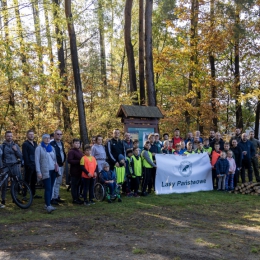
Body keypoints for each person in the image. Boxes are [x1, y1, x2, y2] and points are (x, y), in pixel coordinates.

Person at [35, 134, 57, 213]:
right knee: (47, 187)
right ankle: (48, 205)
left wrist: (56, 167)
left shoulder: (52, 148)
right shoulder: (39, 148)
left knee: (51, 187)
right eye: (46, 138)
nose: (47, 139)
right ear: (43, 139)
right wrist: (38, 172)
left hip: (53, 170)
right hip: (45, 171)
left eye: (48, 138)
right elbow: (37, 161)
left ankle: (48, 203)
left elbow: (55, 159)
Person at [0, 131, 23, 206]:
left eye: (10, 136)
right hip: (6, 166)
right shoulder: (2, 146)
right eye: (8, 136)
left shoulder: (15, 145)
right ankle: (3, 199)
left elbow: (20, 156)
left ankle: (15, 198)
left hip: (14, 166)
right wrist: (1, 167)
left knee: (16, 182)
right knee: (4, 184)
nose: (9, 137)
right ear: (5, 137)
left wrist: (16, 150)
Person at [22, 130, 41, 199]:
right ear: (27, 135)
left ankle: (33, 194)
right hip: (29, 165)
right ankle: (24, 194)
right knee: (27, 180)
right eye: (30, 134)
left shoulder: (35, 143)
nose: (31, 135)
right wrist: (28, 165)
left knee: (34, 180)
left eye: (32, 134)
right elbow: (25, 155)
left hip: (35, 164)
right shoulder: (25, 144)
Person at [50, 129, 66, 205]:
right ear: (54, 135)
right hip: (54, 165)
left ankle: (56, 196)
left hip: (61, 164)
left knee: (58, 182)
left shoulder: (61, 143)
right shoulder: (51, 143)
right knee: (53, 182)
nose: (59, 135)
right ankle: (51, 198)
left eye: (60, 134)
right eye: (58, 134)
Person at [67, 139, 84, 204]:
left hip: (80, 171)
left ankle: (77, 197)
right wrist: (79, 161)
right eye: (76, 143)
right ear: (73, 144)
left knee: (78, 185)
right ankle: (75, 199)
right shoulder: (71, 151)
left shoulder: (79, 151)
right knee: (74, 185)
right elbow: (70, 160)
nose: (77, 144)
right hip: (74, 171)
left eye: (78, 143)